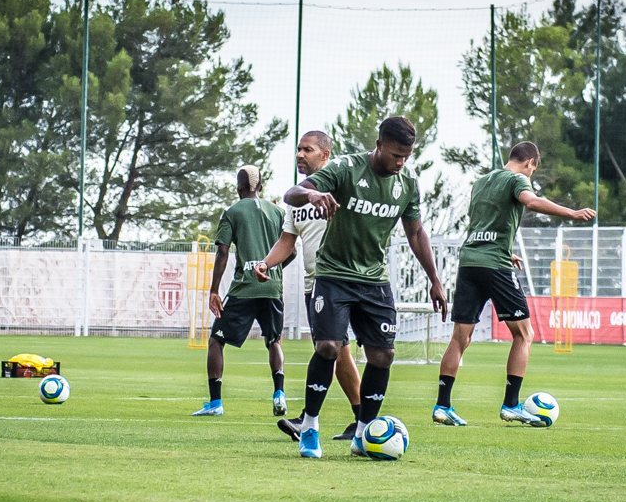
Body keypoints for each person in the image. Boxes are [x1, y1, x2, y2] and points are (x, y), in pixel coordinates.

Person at [266, 116, 448, 458]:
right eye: (395, 155)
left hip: (374, 280)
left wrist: (435, 280)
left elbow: (415, 233)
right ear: (379, 145)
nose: (400, 162)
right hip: (333, 275)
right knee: (329, 348)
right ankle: (310, 428)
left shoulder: (407, 183)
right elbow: (293, 194)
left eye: (406, 156)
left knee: (384, 354)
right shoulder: (345, 169)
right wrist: (315, 193)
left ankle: (363, 433)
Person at [433, 142, 596, 427]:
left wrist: (508, 251)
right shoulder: (518, 179)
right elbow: (530, 202)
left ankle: (442, 406)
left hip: (470, 262)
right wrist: (572, 214)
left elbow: (482, 226)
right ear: (530, 162)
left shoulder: (481, 182)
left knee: (460, 338)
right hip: (495, 266)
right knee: (524, 334)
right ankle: (510, 405)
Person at [253, 131, 363, 442]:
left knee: (332, 349)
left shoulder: (342, 184)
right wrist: (266, 263)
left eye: (308, 150)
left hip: (342, 281)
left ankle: (314, 418)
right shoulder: (296, 197)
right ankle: (360, 420)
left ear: (326, 155)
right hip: (313, 285)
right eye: (298, 149)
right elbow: (288, 242)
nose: (300, 155)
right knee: (338, 351)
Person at [191, 166, 290, 417]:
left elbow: (223, 252)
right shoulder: (278, 212)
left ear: (239, 188)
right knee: (274, 340)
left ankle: (215, 404)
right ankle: (279, 393)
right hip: (272, 288)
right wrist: (273, 271)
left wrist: (214, 290)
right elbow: (292, 251)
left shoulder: (232, 212)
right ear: (261, 186)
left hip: (244, 288)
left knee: (216, 340)